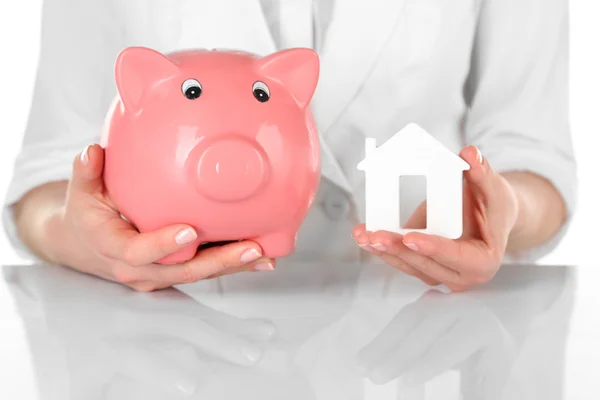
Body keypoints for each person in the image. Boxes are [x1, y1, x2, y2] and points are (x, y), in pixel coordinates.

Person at [3, 0, 576, 292]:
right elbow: (48, 176)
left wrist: (498, 211)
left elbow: (532, 152)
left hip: (415, 333)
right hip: (166, 345)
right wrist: (82, 235)